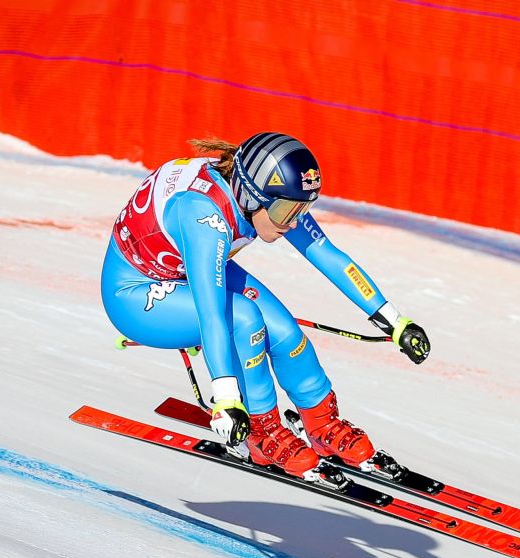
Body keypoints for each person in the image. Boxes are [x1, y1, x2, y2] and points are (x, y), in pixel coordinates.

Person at [101, 132, 431, 481]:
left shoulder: (267, 198)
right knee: (245, 319)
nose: (293, 222)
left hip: (185, 268)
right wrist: (226, 399)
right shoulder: (203, 215)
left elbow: (328, 255)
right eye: (287, 211)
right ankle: (261, 433)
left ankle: (322, 425)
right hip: (136, 296)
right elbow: (212, 315)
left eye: (302, 209)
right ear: (250, 195)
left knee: (284, 331)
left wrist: (395, 321)